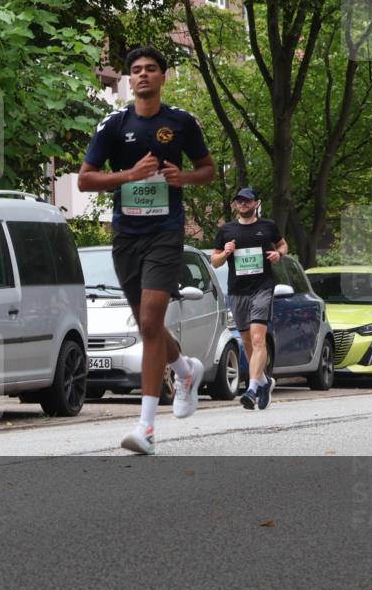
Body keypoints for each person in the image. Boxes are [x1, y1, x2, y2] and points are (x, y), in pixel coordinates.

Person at [78, 47, 216, 455]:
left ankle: (147, 428)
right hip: (126, 236)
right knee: (147, 326)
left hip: (165, 232)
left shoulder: (181, 123)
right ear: (128, 80)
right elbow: (85, 180)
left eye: (150, 70)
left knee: (152, 319)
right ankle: (183, 368)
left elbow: (206, 170)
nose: (142, 76)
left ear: (162, 78)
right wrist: (129, 176)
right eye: (135, 70)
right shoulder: (114, 125)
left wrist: (183, 178)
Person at [211, 187, 287, 410]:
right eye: (239, 201)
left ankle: (252, 388)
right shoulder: (226, 231)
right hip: (237, 291)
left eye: (247, 201)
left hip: (262, 288)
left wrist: (278, 254)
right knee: (246, 343)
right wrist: (224, 253)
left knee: (257, 339)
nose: (243, 204)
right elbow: (214, 262)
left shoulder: (267, 227)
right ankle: (264, 382)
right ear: (235, 205)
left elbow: (283, 244)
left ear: (256, 203)